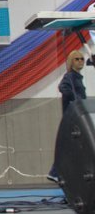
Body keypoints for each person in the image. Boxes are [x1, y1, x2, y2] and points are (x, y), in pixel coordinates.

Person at [47, 49, 87, 182]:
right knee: (69, 147)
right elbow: (62, 87)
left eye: (82, 58)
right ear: (71, 61)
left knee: (73, 147)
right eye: (77, 59)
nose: (80, 61)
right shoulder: (70, 77)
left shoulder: (78, 78)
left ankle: (58, 172)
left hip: (77, 117)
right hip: (72, 118)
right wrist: (76, 100)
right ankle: (55, 172)